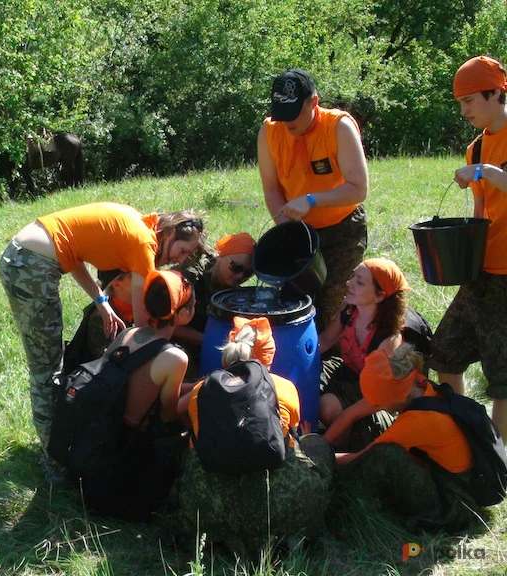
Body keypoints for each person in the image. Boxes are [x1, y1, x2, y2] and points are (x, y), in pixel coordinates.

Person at [0, 202, 205, 482]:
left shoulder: (138, 225)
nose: (178, 261)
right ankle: (56, 464)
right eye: (182, 251)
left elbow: (71, 255)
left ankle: (56, 449)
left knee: (49, 366)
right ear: (169, 233)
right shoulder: (144, 242)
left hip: (27, 257)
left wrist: (101, 300)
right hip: (31, 265)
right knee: (47, 370)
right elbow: (145, 325)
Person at [176, 316, 334, 556]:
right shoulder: (285, 388)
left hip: (207, 509)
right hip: (272, 510)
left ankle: (219, 539)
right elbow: (290, 430)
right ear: (270, 355)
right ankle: (283, 537)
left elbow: (180, 414)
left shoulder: (204, 389)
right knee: (316, 446)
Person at [429, 55, 507, 440]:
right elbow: (482, 210)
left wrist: (487, 172)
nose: (464, 111)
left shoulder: (484, 160)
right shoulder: (476, 149)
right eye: (459, 103)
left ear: (496, 93)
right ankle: (465, 438)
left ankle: (498, 465)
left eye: (470, 101)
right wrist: (464, 255)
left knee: (502, 377)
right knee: (444, 352)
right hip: (483, 270)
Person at [77, 269, 195, 520]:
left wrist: (192, 384)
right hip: (129, 448)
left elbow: (143, 383)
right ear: (182, 313)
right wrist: (199, 391)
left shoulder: (128, 333)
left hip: (103, 430)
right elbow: (168, 412)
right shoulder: (175, 357)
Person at [257, 68, 369, 330]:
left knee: (332, 309)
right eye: (281, 115)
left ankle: (332, 361)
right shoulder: (269, 132)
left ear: (314, 102)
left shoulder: (338, 127)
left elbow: (358, 189)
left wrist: (311, 200)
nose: (287, 122)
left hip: (342, 229)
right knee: (292, 306)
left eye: (294, 114)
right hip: (298, 232)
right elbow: (272, 189)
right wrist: (285, 227)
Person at [331, 345, 477, 532]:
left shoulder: (415, 422)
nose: (375, 405)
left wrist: (321, 455)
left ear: (393, 397)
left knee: (385, 455)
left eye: (378, 402)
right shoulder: (419, 385)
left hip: (453, 507)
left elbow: (361, 458)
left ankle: (344, 509)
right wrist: (325, 440)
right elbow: (354, 413)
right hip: (456, 483)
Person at [319, 258, 409, 450]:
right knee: (302, 382)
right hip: (348, 371)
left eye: (359, 282)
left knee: (327, 407)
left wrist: (320, 445)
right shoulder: (351, 308)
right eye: (353, 276)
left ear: (379, 296)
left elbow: (368, 404)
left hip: (373, 397)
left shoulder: (387, 342)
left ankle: (341, 455)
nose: (348, 283)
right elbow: (325, 341)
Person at [175, 232, 255, 376]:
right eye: (236, 267)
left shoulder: (235, 295)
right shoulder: (189, 277)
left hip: (213, 347)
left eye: (247, 273)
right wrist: (210, 339)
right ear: (222, 255)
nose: (240, 276)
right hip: (177, 347)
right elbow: (166, 324)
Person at [63, 269, 134, 374]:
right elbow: (104, 363)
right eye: (137, 277)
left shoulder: (134, 310)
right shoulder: (102, 318)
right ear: (117, 284)